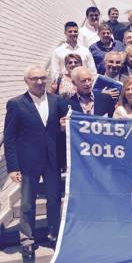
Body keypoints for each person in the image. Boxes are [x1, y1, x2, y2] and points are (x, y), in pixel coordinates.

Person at [4, 66, 67, 260]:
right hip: (28, 163)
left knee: (54, 201)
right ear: (27, 81)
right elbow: (10, 137)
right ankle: (27, 242)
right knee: (28, 204)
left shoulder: (58, 101)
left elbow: (65, 127)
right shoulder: (15, 104)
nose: (40, 82)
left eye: (42, 78)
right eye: (35, 79)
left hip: (53, 161)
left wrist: (64, 126)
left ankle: (54, 235)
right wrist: (13, 167)